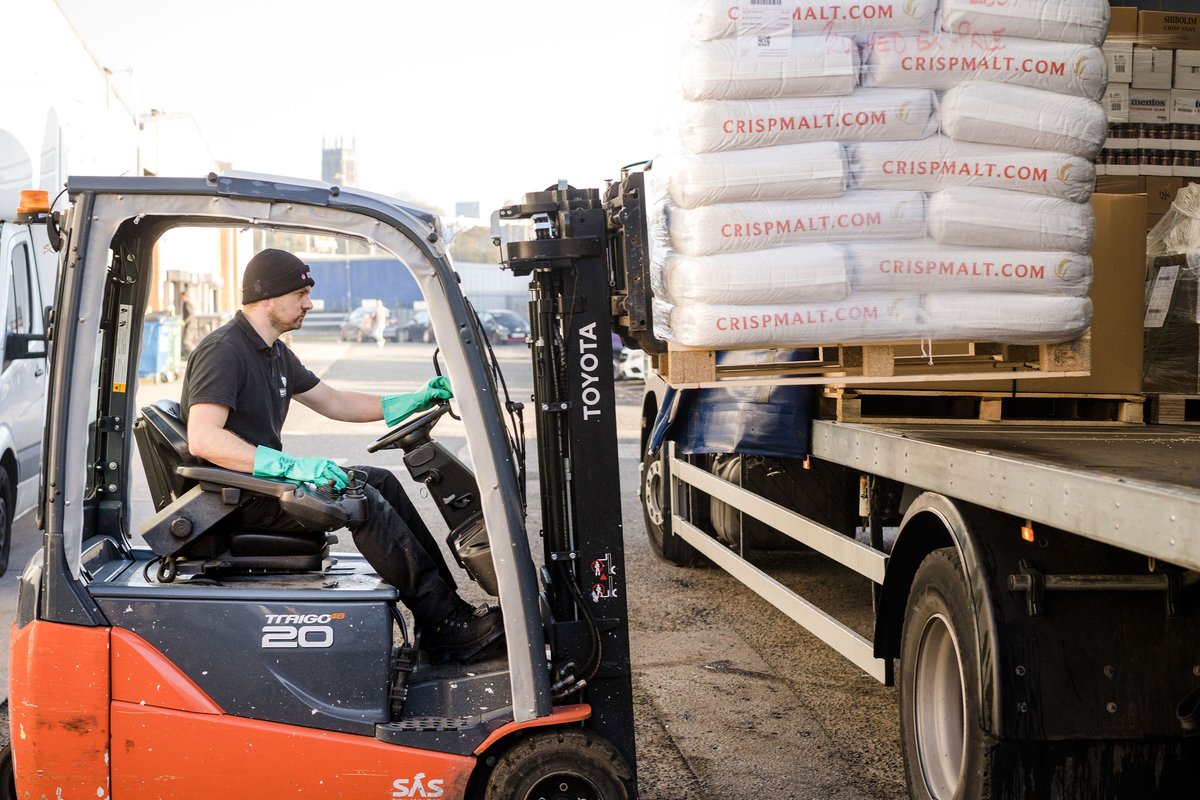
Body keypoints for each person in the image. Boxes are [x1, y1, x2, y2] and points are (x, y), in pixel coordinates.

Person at [180, 248, 503, 663]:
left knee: (379, 481)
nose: (309, 303)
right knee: (360, 500)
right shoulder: (224, 350)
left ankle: (444, 613)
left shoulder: (274, 351)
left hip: (263, 488)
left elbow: (334, 403)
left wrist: (414, 400)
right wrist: (293, 468)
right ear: (267, 297)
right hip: (235, 499)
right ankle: (444, 624)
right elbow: (204, 439)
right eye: (300, 294)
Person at [178, 290, 197, 359]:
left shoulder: (187, 303)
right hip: (189, 325)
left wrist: (184, 322)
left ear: (185, 296)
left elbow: (191, 315)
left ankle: (195, 355)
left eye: (181, 297)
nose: (181, 298)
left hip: (190, 325)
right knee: (186, 341)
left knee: (186, 341)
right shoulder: (186, 303)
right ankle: (189, 356)